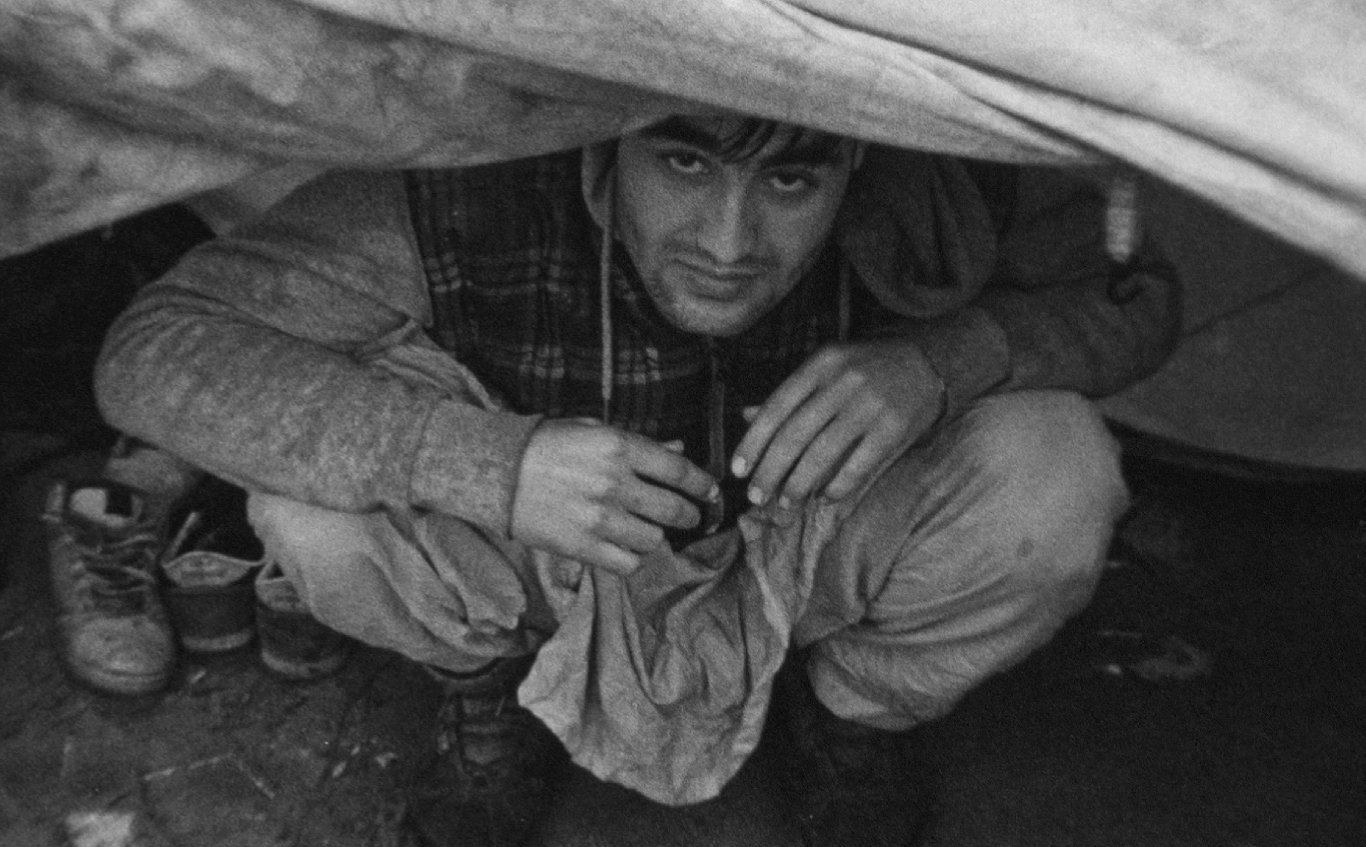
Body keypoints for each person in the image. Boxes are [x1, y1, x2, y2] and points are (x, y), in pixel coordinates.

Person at [95, 113, 1180, 847]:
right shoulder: (457, 187)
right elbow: (149, 354)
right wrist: (489, 462)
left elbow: (1139, 300)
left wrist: (944, 361)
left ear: (855, 162)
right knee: (306, 502)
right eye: (684, 164)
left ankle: (857, 712)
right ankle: (486, 691)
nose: (728, 242)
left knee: (1055, 467)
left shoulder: (937, 185)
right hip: (555, 562)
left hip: (807, 544)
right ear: (607, 140)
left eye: (791, 178)